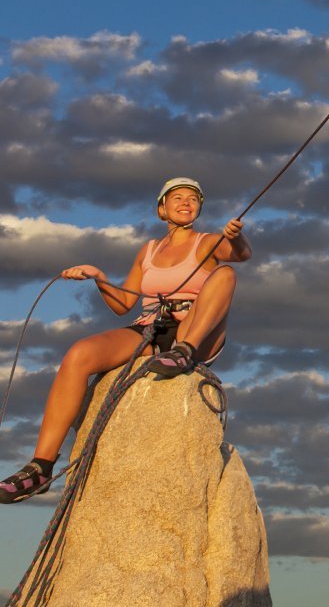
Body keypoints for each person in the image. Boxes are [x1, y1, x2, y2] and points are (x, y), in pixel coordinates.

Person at [0, 177, 251, 504]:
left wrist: (238, 236)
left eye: (193, 198)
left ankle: (183, 352)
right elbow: (121, 305)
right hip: (151, 327)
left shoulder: (207, 242)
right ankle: (41, 467)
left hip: (197, 329)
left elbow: (240, 255)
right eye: (178, 197)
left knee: (226, 274)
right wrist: (99, 277)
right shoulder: (148, 251)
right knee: (79, 355)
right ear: (162, 209)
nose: (186, 202)